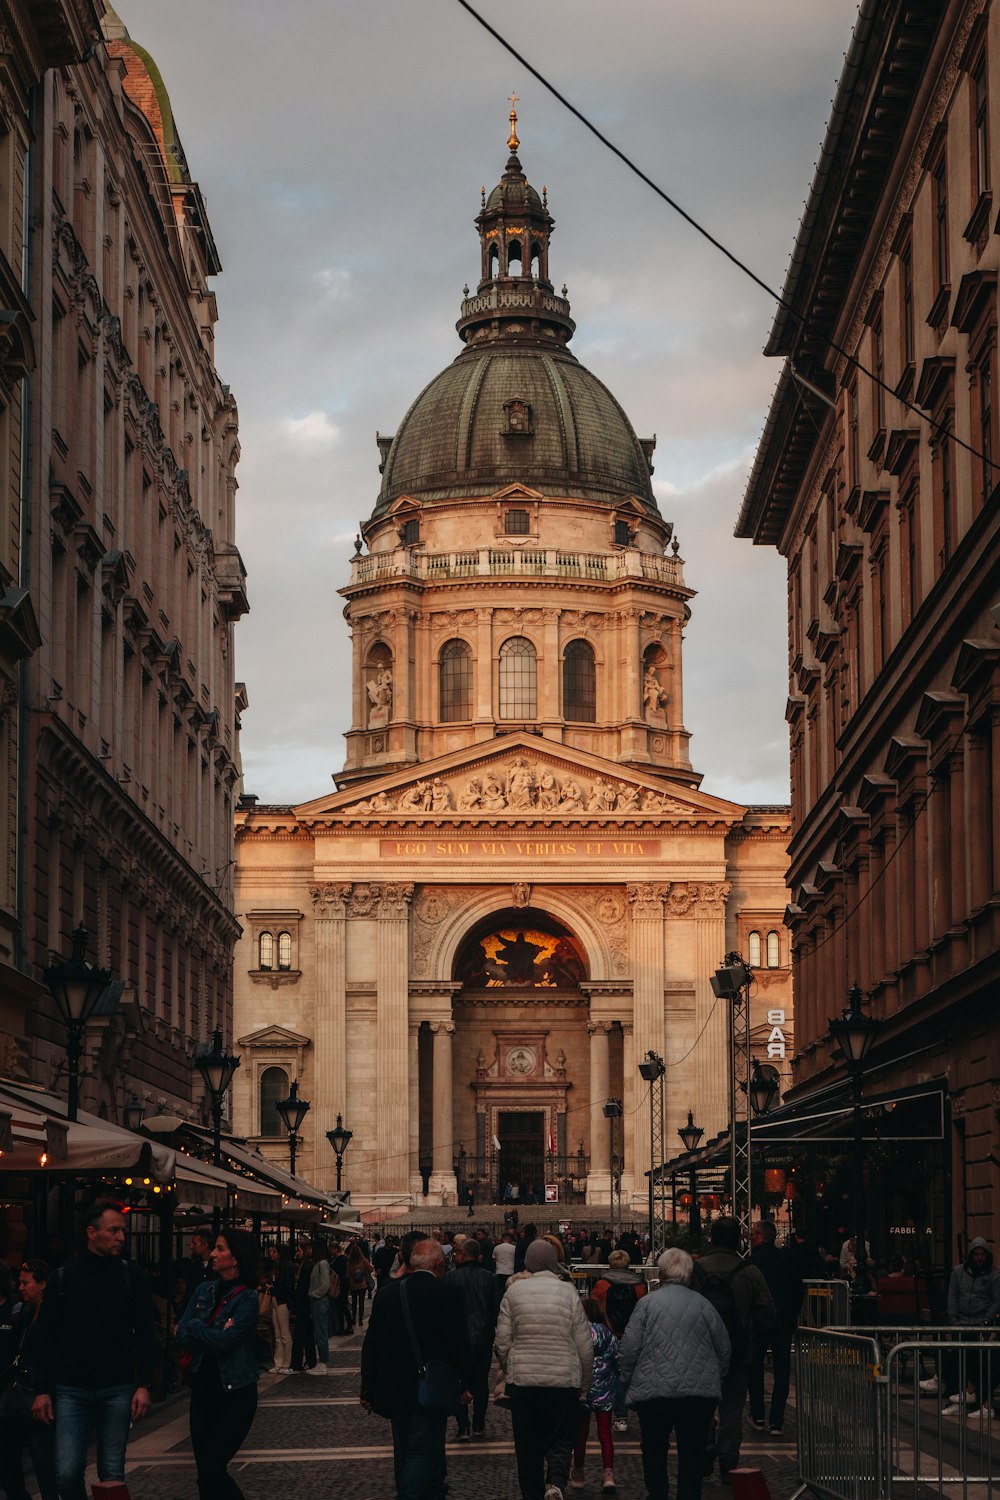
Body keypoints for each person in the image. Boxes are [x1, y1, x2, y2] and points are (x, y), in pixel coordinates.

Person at [31, 1198, 155, 1500]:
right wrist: (42, 1389)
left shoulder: (131, 1275)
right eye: (113, 1231)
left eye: (122, 1231)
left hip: (117, 1385)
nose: (121, 1237)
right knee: (67, 1471)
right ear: (91, 1232)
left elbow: (146, 1333)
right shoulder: (64, 1277)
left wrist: (145, 1383)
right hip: (71, 1386)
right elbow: (44, 1336)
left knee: (113, 1474)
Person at [360, 1238, 472, 1500]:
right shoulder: (448, 1293)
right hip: (432, 1385)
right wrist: (467, 1384)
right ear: (438, 1265)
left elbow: (372, 1343)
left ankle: (432, 1491)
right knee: (423, 1448)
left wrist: (367, 1387)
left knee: (405, 1448)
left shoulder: (388, 1293)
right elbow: (459, 1343)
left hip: (395, 1387)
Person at [619, 1247, 730, 1500]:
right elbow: (724, 1347)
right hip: (697, 1393)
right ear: (689, 1274)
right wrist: (715, 1378)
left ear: (661, 1272)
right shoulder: (704, 1305)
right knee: (692, 1451)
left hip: (654, 1390)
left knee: (654, 1447)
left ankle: (657, 1494)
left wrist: (626, 1379)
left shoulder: (646, 1304)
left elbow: (630, 1347)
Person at [495, 1237, 593, 1500]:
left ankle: (533, 1494)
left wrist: (511, 1368)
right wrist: (584, 1386)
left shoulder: (513, 1291)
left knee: (527, 1448)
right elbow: (585, 1345)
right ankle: (556, 1483)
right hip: (563, 1383)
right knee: (561, 1439)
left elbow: (502, 1343)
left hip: (523, 1384)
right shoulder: (568, 1292)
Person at [177, 1229, 261, 1499]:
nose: (213, 1254)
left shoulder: (247, 1297)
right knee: (205, 1475)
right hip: (203, 1393)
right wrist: (210, 1333)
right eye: (214, 1248)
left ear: (235, 1258)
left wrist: (196, 1327)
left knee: (213, 1469)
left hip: (235, 1394)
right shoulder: (204, 1289)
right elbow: (181, 1335)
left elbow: (227, 1341)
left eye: (220, 1249)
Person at [690, 1216, 774, 1481]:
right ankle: (728, 1462)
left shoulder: (695, 1271)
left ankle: (705, 1447)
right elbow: (767, 1313)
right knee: (733, 1410)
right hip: (738, 1352)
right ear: (738, 1240)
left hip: (702, 1352)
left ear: (711, 1239)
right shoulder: (749, 1272)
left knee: (702, 1405)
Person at [0, 1260, 57, 1500]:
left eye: (26, 1282)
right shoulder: (25, 1312)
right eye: (20, 1282)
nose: (21, 1287)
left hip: (44, 1392)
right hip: (23, 1391)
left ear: (42, 1284)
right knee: (17, 1452)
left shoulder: (53, 1314)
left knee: (41, 1452)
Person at [933, 1238, 1000, 1418]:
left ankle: (970, 1396)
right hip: (961, 1322)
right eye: (976, 1255)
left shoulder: (992, 1275)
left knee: (977, 1360)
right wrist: (953, 1320)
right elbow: (952, 1296)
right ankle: (955, 1395)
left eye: (982, 1255)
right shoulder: (958, 1272)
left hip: (979, 1323)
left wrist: (986, 1321)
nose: (979, 1258)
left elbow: (996, 1300)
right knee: (958, 1357)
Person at [747, 1220, 803, 1435]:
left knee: (755, 1367)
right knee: (782, 1369)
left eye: (753, 1234)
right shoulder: (787, 1259)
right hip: (783, 1321)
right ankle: (776, 1420)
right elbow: (798, 1291)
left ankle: (758, 1414)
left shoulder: (753, 1262)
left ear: (762, 1236)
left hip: (760, 1321)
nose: (750, 1237)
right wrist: (792, 1315)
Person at [592, 1248, 646, 1433]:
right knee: (634, 1373)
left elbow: (594, 1310)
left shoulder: (602, 1285)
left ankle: (621, 1416)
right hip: (632, 1334)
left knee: (613, 1375)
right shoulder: (639, 1286)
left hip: (610, 1334)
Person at [570, 1297, 620, 1494]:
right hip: (605, 1391)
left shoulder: (577, 1333)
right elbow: (619, 1359)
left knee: (580, 1434)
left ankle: (579, 1472)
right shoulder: (608, 1334)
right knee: (605, 1434)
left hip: (583, 1389)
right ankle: (608, 1473)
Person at [452, 1236, 498, 1440]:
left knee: (458, 1381)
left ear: (462, 1255)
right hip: (482, 1337)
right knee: (480, 1381)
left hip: (457, 1339)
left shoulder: (449, 1278)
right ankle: (479, 1422)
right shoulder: (490, 1278)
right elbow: (496, 1310)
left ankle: (463, 1426)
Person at [266, 1245, 295, 1373]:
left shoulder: (286, 1267)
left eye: (274, 1251)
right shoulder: (276, 1267)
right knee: (277, 1333)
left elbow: (287, 1288)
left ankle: (286, 1363)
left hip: (282, 1301)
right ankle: (278, 1362)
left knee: (284, 1333)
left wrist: (272, 1289)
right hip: (275, 1300)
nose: (271, 1254)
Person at [290, 1240, 316, 1372]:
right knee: (307, 1335)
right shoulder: (307, 1266)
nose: (297, 1253)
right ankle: (310, 1362)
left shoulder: (307, 1267)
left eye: (299, 1250)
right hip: (305, 1305)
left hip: (304, 1305)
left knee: (301, 1336)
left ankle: (297, 1363)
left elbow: (303, 1289)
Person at [308, 1237, 331, 1372]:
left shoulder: (322, 1263)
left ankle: (323, 1362)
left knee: (321, 1332)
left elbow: (325, 1284)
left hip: (320, 1301)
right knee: (319, 1331)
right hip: (317, 1301)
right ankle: (321, 1361)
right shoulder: (317, 1263)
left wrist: (314, 1294)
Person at [346, 1240, 375, 1328]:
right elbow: (371, 1269)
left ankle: (354, 1318)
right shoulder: (362, 1260)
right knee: (361, 1302)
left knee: (354, 1302)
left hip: (353, 1284)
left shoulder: (349, 1261)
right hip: (362, 1284)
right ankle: (360, 1319)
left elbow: (347, 1274)